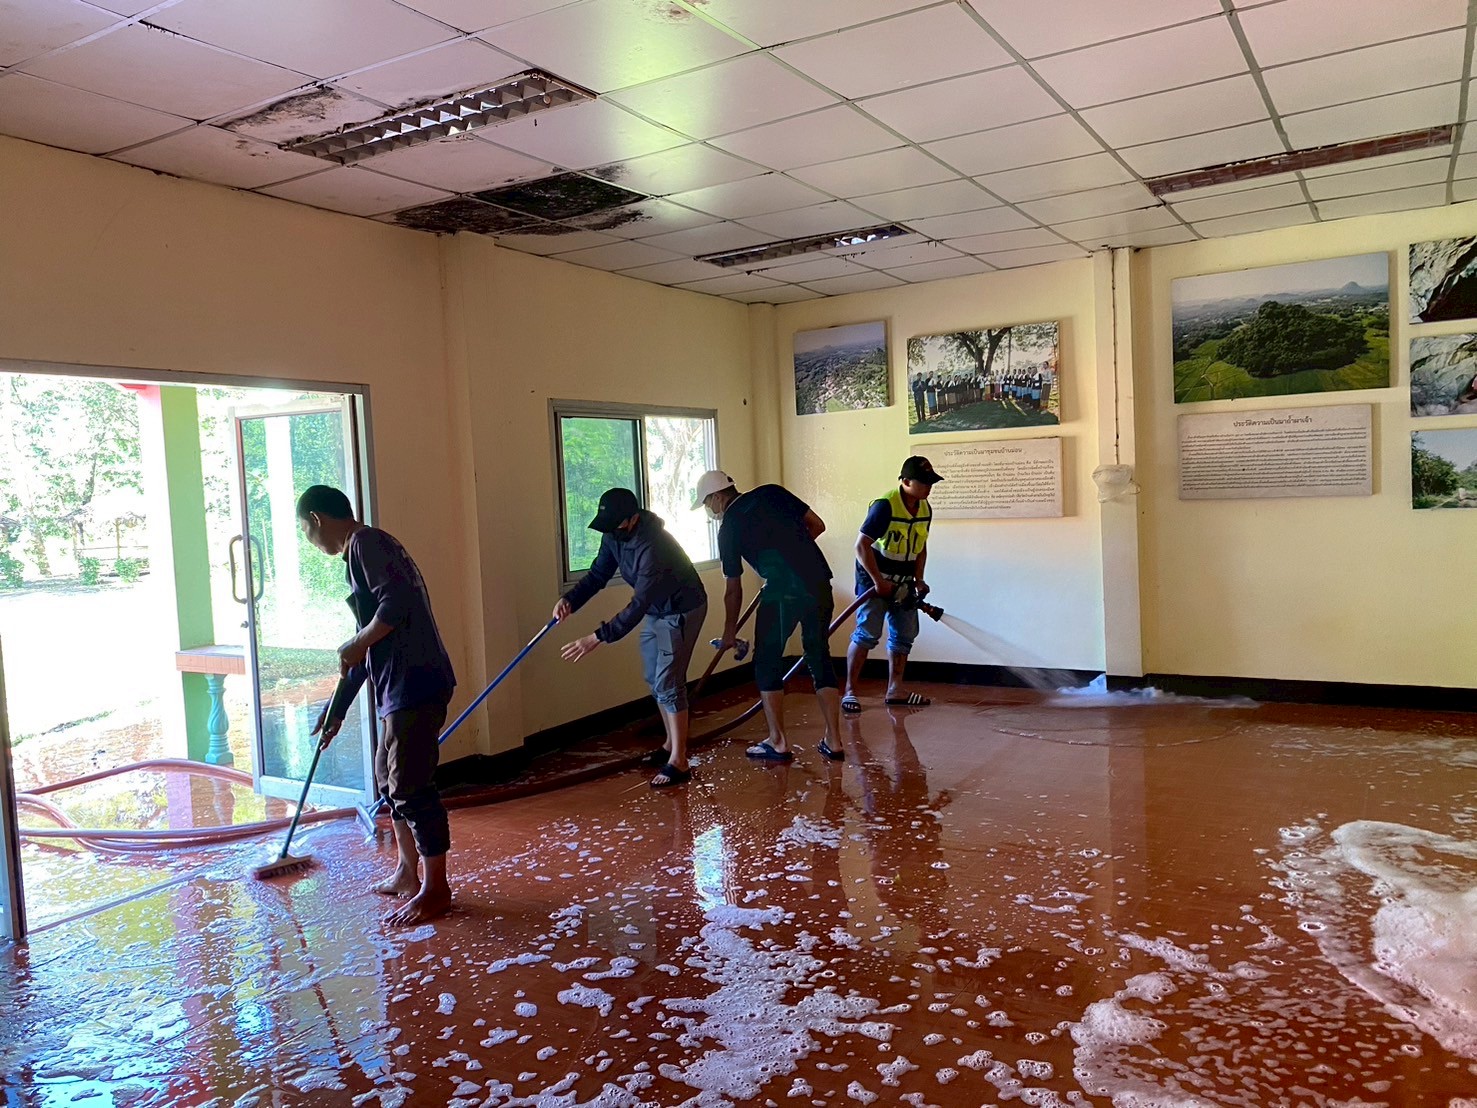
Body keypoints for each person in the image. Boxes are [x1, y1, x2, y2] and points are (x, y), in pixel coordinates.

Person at [298, 485, 457, 927]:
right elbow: (365, 649)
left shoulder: (368, 542)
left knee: (410, 785)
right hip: (397, 690)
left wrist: (355, 642)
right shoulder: (361, 553)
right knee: (388, 781)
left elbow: (396, 605)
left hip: (416, 684)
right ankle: (407, 872)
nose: (309, 540)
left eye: (305, 530)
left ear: (317, 519)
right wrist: (337, 710)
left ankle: (436, 889)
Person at [553, 487, 708, 788]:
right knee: (653, 677)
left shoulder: (654, 545)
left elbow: (638, 604)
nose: (611, 531)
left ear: (633, 519)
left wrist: (597, 637)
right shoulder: (614, 535)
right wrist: (570, 600)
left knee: (669, 681)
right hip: (655, 609)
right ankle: (669, 745)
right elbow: (598, 575)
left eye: (616, 525)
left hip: (680, 609)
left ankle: (679, 760)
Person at [694, 470, 844, 763]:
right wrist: (795, 557)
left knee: (767, 660)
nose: (708, 510)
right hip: (817, 582)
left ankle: (778, 742)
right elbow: (817, 525)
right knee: (819, 655)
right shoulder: (772, 492)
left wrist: (729, 633)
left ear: (717, 497)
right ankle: (834, 741)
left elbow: (733, 590)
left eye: (706, 503)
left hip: (781, 593)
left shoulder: (729, 528)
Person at [843, 456, 942, 712]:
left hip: (904, 581)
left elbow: (921, 547)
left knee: (904, 635)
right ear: (906, 481)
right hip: (873, 578)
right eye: (924, 482)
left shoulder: (925, 508)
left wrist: (919, 579)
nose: (929, 487)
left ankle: (895, 690)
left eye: (931, 482)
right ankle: (850, 692)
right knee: (867, 633)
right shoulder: (884, 506)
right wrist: (878, 582)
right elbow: (861, 546)